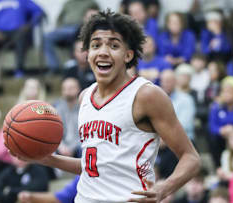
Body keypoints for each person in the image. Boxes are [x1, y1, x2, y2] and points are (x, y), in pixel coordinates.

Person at [13, 10, 201, 202]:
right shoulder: (84, 97)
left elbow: (191, 158)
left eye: (113, 45)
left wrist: (164, 188)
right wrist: (48, 159)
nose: (103, 51)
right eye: (96, 45)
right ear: (88, 54)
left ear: (128, 55)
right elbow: (94, 166)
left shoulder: (146, 95)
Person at [0, 0, 44, 77]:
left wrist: (29, 24)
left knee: (21, 36)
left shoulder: (23, 1)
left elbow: (38, 12)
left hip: (18, 33)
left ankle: (19, 70)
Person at [43, 1, 99, 72]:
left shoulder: (90, 3)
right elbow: (59, 18)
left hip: (79, 26)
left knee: (77, 37)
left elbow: (96, 15)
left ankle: (73, 63)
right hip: (64, 28)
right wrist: (59, 28)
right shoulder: (68, 3)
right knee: (47, 37)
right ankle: (54, 67)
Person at [160, 69, 196, 141]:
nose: (165, 84)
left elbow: (184, 125)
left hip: (183, 140)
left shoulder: (186, 99)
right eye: (163, 81)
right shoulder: (157, 99)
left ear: (175, 82)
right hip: (162, 140)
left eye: (168, 81)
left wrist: (166, 138)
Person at [54, 78, 81, 158]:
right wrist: (61, 146)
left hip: (79, 147)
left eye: (71, 88)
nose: (67, 91)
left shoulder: (84, 107)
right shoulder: (56, 107)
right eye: (65, 89)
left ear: (78, 89)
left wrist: (72, 148)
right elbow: (54, 132)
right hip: (61, 146)